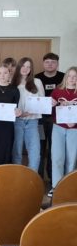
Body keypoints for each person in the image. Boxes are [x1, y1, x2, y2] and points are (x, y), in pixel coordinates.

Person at [11, 57, 44, 171]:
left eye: (28, 67)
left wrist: (30, 112)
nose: (25, 69)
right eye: (23, 66)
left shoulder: (37, 82)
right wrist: (17, 113)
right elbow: (8, 102)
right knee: (16, 151)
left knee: (35, 152)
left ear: (31, 69)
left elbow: (42, 102)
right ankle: (16, 177)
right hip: (16, 121)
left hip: (33, 121)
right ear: (19, 67)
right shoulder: (12, 82)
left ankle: (32, 177)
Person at [36, 52, 65, 182]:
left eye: (53, 62)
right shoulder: (37, 78)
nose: (50, 64)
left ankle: (53, 178)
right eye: (47, 62)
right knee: (40, 148)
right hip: (40, 119)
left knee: (55, 149)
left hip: (57, 119)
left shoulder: (63, 77)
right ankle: (39, 178)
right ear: (43, 63)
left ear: (57, 64)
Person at [50, 66, 77, 196]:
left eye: (75, 76)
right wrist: (54, 104)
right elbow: (49, 110)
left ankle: (68, 187)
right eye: (69, 76)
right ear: (66, 77)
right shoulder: (57, 91)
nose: (72, 79)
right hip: (58, 128)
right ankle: (56, 187)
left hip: (75, 129)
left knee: (71, 159)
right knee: (57, 157)